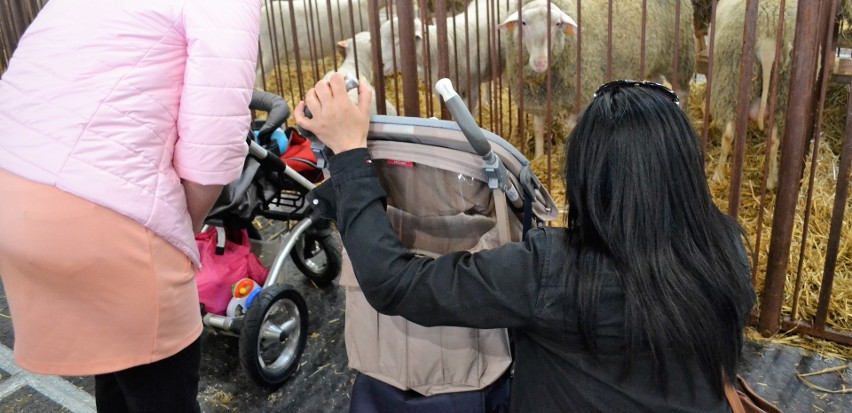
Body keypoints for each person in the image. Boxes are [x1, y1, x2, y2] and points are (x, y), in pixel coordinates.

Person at [0, 0, 276, 411]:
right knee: (164, 392)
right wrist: (179, 233)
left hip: (15, 195)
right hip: (103, 219)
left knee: (118, 374)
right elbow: (212, 150)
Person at [296, 74, 757, 413]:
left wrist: (351, 156)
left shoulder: (550, 271)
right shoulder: (725, 250)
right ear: (687, 174)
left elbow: (393, 283)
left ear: (586, 180)